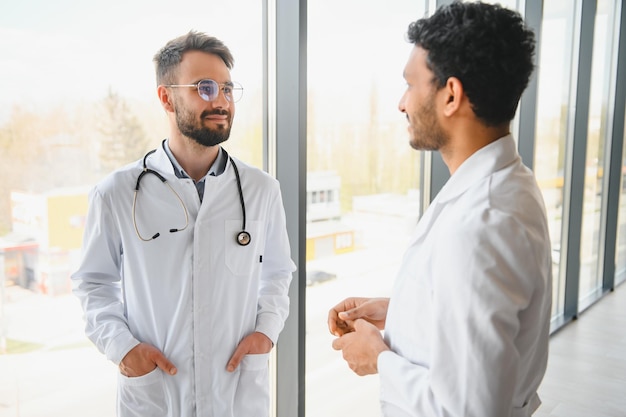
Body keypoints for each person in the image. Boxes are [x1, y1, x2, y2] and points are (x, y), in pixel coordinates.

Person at [328, 2, 552, 417]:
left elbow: (470, 409)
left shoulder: (481, 222)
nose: (401, 103)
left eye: (410, 85)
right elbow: (480, 323)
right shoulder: (504, 185)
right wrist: (401, 312)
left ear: (451, 95)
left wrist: (378, 359)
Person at [72, 31, 295, 417]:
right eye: (204, 88)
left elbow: (277, 273)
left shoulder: (261, 190)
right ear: (166, 97)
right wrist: (123, 349)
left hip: (237, 392)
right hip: (156, 392)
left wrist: (266, 332)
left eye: (227, 88)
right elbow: (92, 283)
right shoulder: (117, 193)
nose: (221, 101)